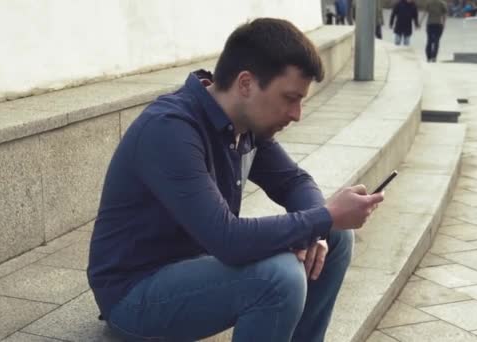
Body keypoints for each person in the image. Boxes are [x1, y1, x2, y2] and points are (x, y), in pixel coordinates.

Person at [88, 18, 384, 342]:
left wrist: (320, 226)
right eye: (289, 98)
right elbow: (227, 239)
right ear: (246, 84)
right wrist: (323, 216)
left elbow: (294, 182)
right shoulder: (170, 129)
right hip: (134, 295)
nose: (297, 113)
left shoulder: (242, 124)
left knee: (337, 239)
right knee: (280, 277)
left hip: (193, 268)